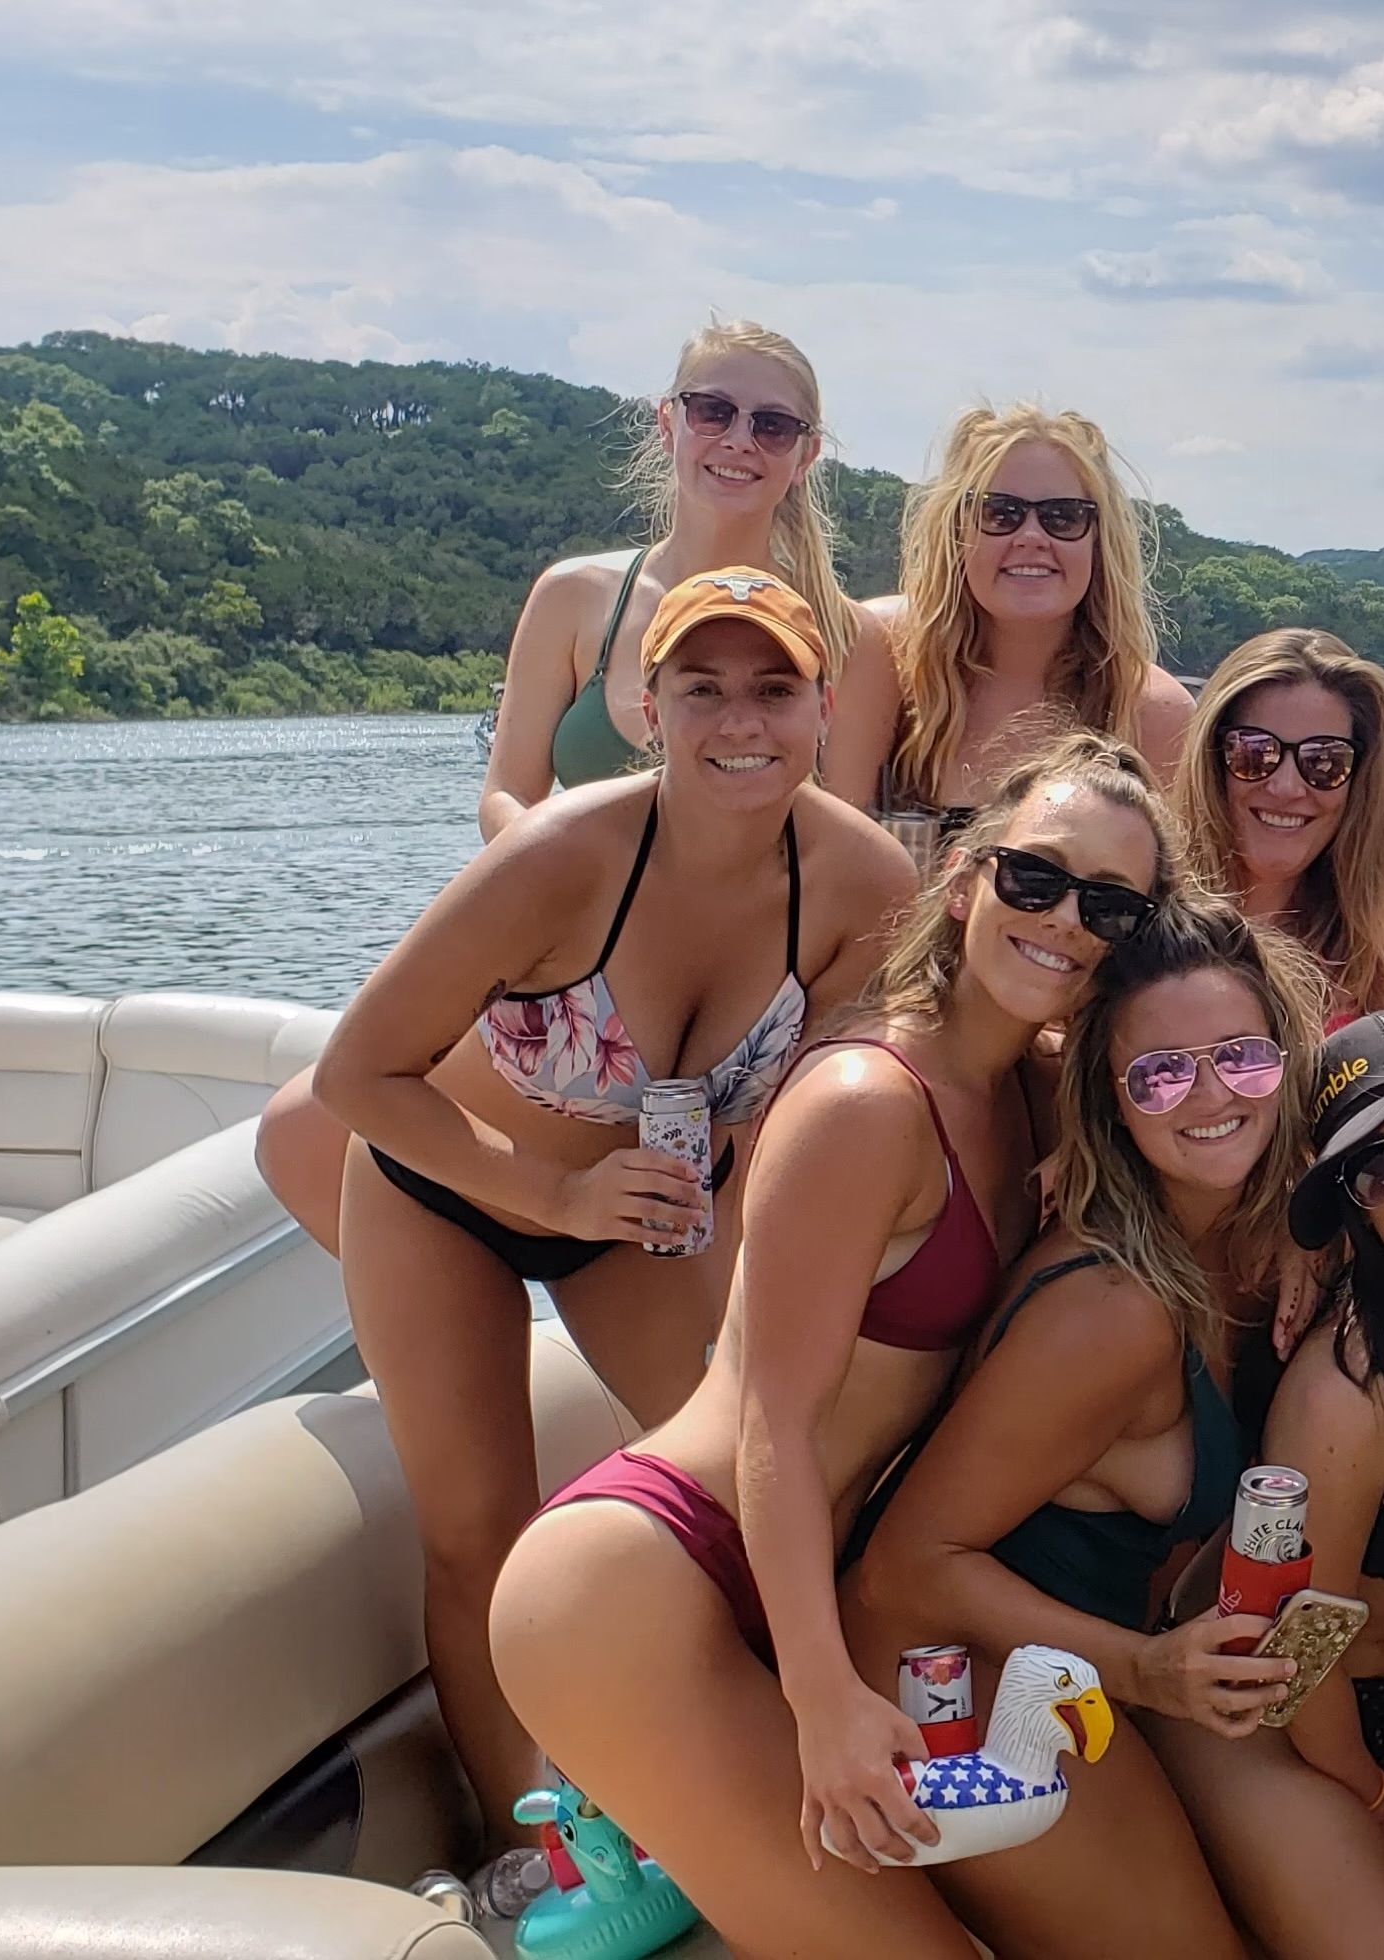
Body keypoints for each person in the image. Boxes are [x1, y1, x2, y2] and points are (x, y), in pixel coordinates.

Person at [487, 731, 1168, 1954]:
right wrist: (821, 1697)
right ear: (964, 878)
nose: (1066, 919)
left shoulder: (1038, 1091)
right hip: (646, 1581)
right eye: (1035, 878)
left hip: (780, 1590)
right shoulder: (866, 1104)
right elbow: (773, 1422)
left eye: (1111, 904)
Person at [315, 568, 918, 1846]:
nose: (738, 720)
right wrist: (556, 1192)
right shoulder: (560, 855)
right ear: (647, 707)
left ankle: (751, 1787)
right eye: (701, 688)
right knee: (479, 1529)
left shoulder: (861, 884)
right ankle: (529, 1847)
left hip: (644, 1218)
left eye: (774, 689)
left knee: (764, 1494)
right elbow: (356, 1072)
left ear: (823, 711)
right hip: (448, 1187)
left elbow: (836, 1109)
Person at [257, 321, 893, 1251]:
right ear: (666, 423)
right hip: (557, 963)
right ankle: (452, 1306)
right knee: (297, 1134)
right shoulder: (574, 597)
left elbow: (846, 843)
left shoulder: (850, 638)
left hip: (721, 1006)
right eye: (713, 410)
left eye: (772, 425)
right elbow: (504, 793)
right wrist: (560, 887)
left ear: (808, 454)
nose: (738, 441)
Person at [824, 892, 1321, 1956]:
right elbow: (900, 1569)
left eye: (1241, 1055)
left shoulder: (1244, 1246)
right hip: (952, 1682)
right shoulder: (1114, 1312)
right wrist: (1145, 1672)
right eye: (1159, 1073)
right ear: (1112, 1098)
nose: (1208, 1095)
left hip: (1061, 1665)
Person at [1146, 1014, 1384, 1960]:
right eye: (1378, 1169)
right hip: (1266, 1718)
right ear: (1358, 1205)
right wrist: (1380, 1798)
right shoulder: (1348, 1394)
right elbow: (1295, 1647)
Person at [868, 405, 1195, 853]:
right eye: (1000, 513)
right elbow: (827, 865)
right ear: (956, 531)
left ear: (1100, 541)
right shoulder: (883, 658)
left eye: (1063, 517)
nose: (1031, 537)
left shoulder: (1155, 713)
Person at [1174, 630, 1384, 1025]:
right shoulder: (1134, 937)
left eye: (1325, 762)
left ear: (1360, 785)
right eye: (1255, 752)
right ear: (1213, 761)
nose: (1286, 787)